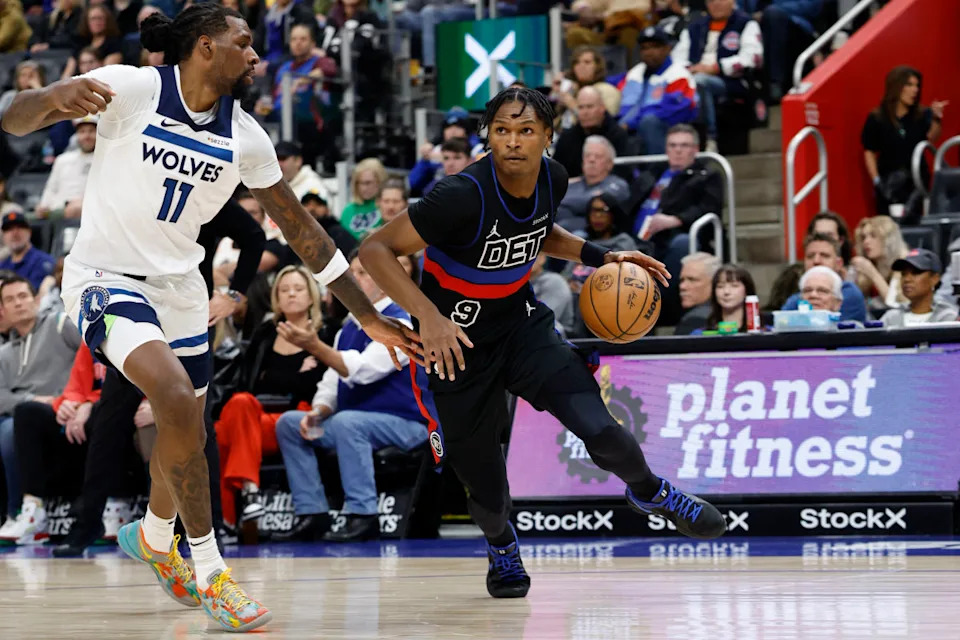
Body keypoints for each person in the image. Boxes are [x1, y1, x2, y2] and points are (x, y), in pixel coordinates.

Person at [0, 4, 413, 631]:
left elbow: (303, 231)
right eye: (243, 44)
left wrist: (371, 316)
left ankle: (157, 534)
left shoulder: (246, 135)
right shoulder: (136, 88)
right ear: (202, 47)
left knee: (185, 422)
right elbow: (12, 119)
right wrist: (52, 95)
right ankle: (212, 570)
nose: (255, 56)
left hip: (181, 291)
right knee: (171, 394)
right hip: (103, 278)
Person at [359, 86, 726, 599]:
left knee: (602, 430)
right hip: (456, 346)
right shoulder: (460, 195)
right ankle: (502, 543)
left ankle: (650, 492)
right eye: (502, 130)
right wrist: (427, 315)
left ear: (548, 138)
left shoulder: (553, 178)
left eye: (526, 130)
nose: (512, 141)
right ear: (488, 135)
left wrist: (603, 257)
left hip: (521, 325)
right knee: (484, 489)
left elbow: (538, 230)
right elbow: (374, 249)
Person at [273, 250, 427, 543]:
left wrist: (315, 346)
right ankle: (312, 513)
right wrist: (318, 411)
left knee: (348, 423)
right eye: (352, 274)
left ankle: (363, 514)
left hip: (407, 423)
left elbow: (362, 370)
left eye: (361, 274)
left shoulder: (402, 320)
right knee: (290, 424)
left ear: (382, 280)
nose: (354, 280)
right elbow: (332, 381)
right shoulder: (349, 326)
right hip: (356, 423)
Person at [214, 265, 328, 533]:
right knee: (218, 429)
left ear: (311, 296)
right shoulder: (265, 334)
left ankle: (229, 515)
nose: (291, 295)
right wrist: (295, 375)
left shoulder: (324, 334)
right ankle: (234, 508)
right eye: (284, 290)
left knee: (232, 421)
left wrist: (279, 377)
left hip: (298, 417)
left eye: (298, 289)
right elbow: (248, 384)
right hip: (254, 415)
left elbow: (313, 387)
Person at [0, 275, 80, 532]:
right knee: (18, 418)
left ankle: (20, 513)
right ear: (3, 309)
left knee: (10, 429)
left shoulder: (59, 325)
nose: (19, 303)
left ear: (36, 300)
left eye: (23, 296)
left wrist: (74, 398)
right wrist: (32, 398)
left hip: (63, 409)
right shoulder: (4, 352)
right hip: (26, 412)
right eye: (10, 300)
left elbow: (92, 357)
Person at [628, 123, 723, 324]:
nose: (678, 150)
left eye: (684, 145)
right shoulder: (653, 173)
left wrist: (675, 220)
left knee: (681, 243)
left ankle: (660, 309)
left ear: (695, 149)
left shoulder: (706, 175)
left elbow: (710, 208)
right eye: (673, 145)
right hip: (635, 239)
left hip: (672, 238)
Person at [672, 0, 762, 152]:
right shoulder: (694, 27)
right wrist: (692, 69)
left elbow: (753, 57)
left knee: (700, 82)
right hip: (694, 77)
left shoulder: (745, 23)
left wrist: (715, 68)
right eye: (712, 0)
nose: (717, 4)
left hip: (731, 82)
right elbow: (676, 59)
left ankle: (709, 139)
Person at [862, 66, 947, 219]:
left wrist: (936, 119)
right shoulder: (878, 117)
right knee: (887, 226)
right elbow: (869, 150)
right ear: (896, 86)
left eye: (917, 85)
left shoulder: (922, 114)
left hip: (916, 179)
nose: (915, 90)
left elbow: (932, 138)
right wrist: (876, 181)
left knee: (913, 221)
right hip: (888, 181)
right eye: (909, 85)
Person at [618, 26, 698, 155]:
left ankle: (658, 169)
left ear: (667, 49)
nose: (649, 52)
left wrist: (631, 123)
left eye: (655, 47)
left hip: (668, 130)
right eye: (645, 48)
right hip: (631, 128)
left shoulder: (678, 75)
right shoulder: (635, 73)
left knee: (649, 122)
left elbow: (669, 111)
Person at [780, 233, 867, 322]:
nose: (816, 261)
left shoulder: (849, 292)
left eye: (825, 255)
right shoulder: (796, 298)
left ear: (839, 264)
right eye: (810, 256)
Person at [553, 86, 633, 179]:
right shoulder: (567, 137)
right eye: (581, 107)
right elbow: (555, 174)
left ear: (602, 108)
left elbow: (623, 173)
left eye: (590, 107)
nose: (585, 112)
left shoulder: (618, 135)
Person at [556, 136, 630, 234]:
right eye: (587, 156)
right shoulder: (571, 184)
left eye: (598, 156)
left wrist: (562, 201)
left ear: (609, 164)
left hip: (595, 236)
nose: (591, 160)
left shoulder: (617, 185)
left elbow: (594, 203)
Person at [35, 114, 98, 220]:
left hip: (90, 212)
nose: (87, 136)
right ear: (76, 135)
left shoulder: (105, 160)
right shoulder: (62, 160)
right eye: (82, 132)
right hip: (58, 211)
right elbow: (51, 188)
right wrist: (43, 205)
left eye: (91, 131)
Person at [880, 249, 958, 327]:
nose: (907, 279)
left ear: (934, 279)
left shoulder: (948, 318)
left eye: (916, 273)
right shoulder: (891, 318)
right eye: (904, 274)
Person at [550, 46, 622, 130]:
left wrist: (573, 105)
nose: (581, 66)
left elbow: (605, 125)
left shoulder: (607, 90)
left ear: (597, 66)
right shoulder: (573, 89)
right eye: (577, 63)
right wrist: (555, 93)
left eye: (587, 62)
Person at [851, 216, 908, 314]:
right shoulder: (864, 267)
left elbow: (895, 304)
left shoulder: (905, 264)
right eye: (864, 237)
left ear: (888, 239)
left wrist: (873, 274)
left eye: (873, 236)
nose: (866, 242)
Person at [61, 5, 125, 79]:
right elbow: (68, 72)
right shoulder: (80, 42)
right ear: (86, 22)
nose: (97, 22)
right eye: (93, 19)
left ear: (107, 21)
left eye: (100, 18)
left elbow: (107, 73)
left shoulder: (114, 43)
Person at [0, 212, 54, 290]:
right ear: (3, 236)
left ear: (29, 232)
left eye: (19, 227)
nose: (15, 233)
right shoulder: (3, 265)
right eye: (9, 229)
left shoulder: (43, 262)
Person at [697, 263, 756, 333]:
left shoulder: (767, 333)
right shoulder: (700, 334)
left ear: (747, 290)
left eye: (734, 286)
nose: (726, 292)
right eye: (720, 286)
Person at [340, 157, 388, 241]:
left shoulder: (387, 205)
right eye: (359, 183)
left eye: (368, 183)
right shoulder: (348, 210)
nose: (363, 188)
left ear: (380, 181)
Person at [674, 251, 720, 335]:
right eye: (682, 280)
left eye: (692, 280)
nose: (682, 287)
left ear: (714, 283)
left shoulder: (695, 320)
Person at [408, 137, 473, 198]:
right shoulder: (437, 181)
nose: (450, 163)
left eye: (457, 158)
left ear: (470, 160)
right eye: (446, 158)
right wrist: (425, 160)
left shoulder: (476, 184)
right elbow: (412, 183)